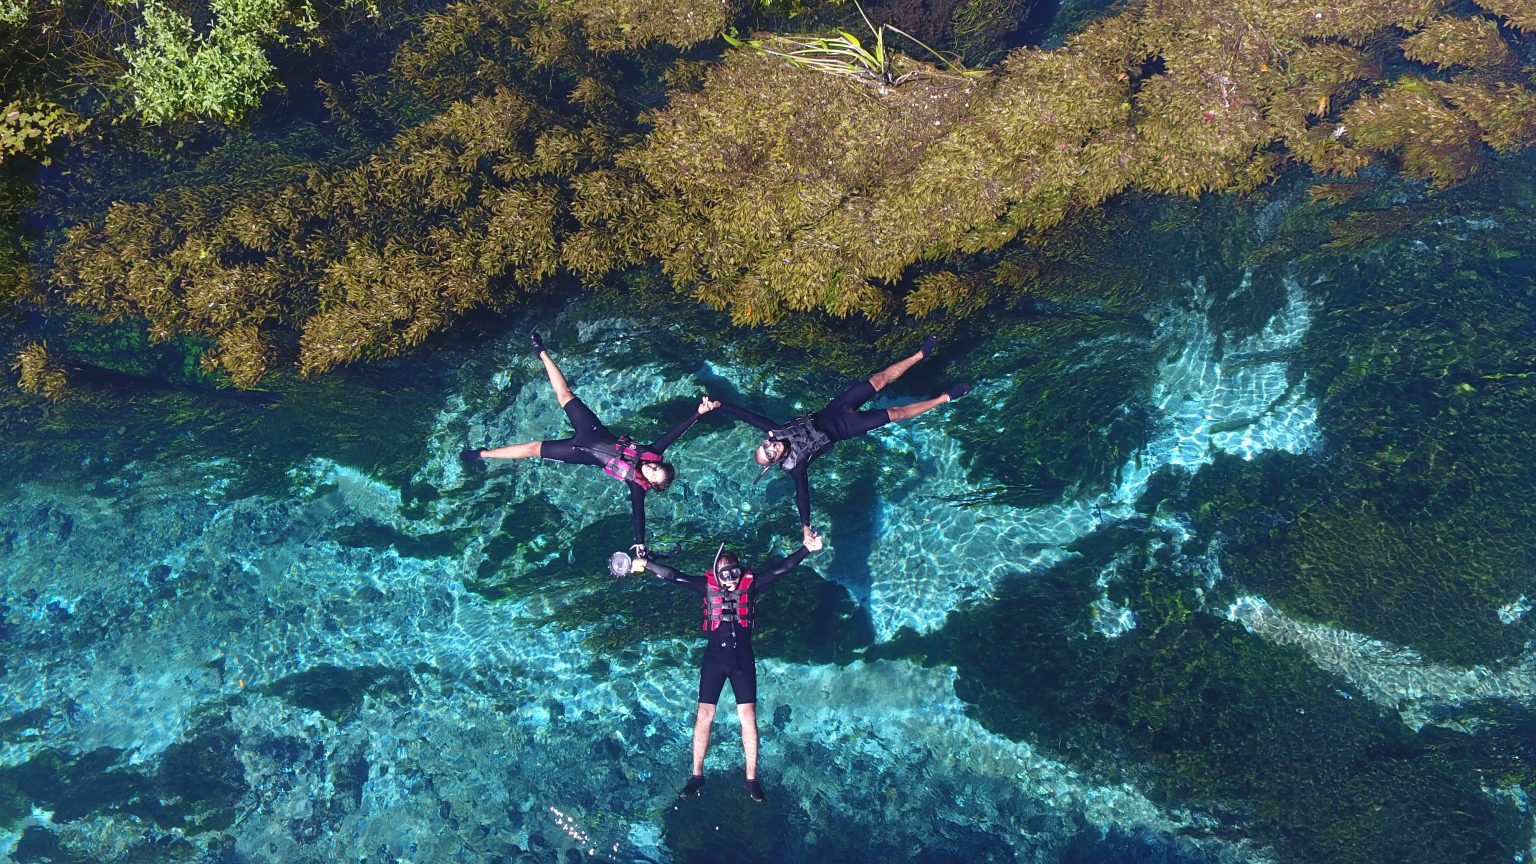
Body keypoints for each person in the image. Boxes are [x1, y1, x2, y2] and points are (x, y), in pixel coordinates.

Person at [462, 332, 720, 552]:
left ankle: (483, 454)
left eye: (653, 474)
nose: (650, 469)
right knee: (565, 394)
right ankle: (541, 351)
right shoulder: (652, 452)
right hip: (592, 432)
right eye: (655, 467)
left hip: (578, 453)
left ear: (650, 484)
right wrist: (699, 413)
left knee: (532, 449)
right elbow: (674, 433)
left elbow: (638, 516)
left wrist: (639, 544)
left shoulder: (636, 487)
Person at [716, 336, 970, 545]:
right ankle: (944, 398)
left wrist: (720, 405)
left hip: (838, 407)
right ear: (775, 462)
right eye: (770, 454)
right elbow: (802, 498)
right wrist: (806, 529)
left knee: (879, 379)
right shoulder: (796, 467)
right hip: (849, 427)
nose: (771, 447)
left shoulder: (775, 431)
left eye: (766, 445)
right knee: (897, 414)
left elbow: (748, 415)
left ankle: (919, 355)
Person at [631, 532, 823, 803]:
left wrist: (806, 549)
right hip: (714, 662)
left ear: (740, 570)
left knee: (748, 718)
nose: (731, 579)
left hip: (743, 661)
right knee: (704, 716)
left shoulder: (751, 585)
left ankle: (752, 779)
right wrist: (647, 564)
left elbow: (781, 569)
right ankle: (697, 775)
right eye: (725, 574)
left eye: (734, 572)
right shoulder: (704, 587)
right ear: (716, 575)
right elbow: (673, 576)